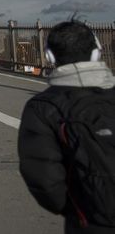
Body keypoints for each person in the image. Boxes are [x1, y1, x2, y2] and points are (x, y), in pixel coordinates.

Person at [18, 20, 115, 233]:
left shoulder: (43, 107)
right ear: (98, 51)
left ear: (50, 57)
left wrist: (76, 209)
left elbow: (44, 179)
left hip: (90, 218)